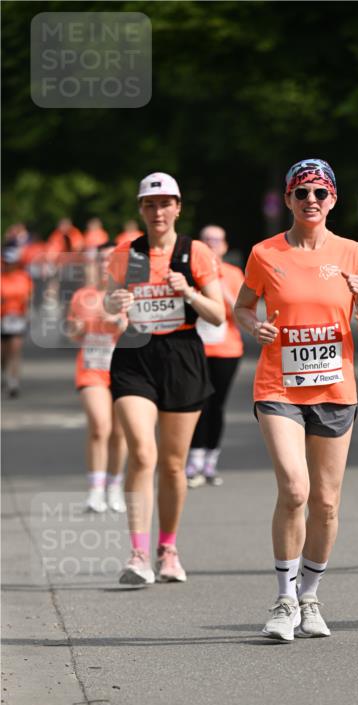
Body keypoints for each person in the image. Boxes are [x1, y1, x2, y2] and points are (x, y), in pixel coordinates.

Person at [234, 158, 358, 642]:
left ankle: (310, 597)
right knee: (295, 489)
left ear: (333, 199)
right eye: (302, 194)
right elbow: (242, 306)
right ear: (290, 200)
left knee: (326, 502)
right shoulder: (264, 253)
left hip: (335, 390)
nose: (311, 201)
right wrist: (253, 325)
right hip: (279, 387)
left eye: (320, 193)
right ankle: (282, 599)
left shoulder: (355, 255)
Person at [104, 172, 224, 585]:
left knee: (173, 465)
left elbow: (219, 314)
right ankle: (138, 554)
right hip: (135, 353)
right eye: (150, 204)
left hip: (183, 354)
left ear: (178, 207)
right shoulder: (125, 255)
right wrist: (114, 301)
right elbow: (107, 305)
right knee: (142, 451)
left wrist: (188, 292)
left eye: (165, 203)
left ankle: (167, 549)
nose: (158, 211)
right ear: (141, 208)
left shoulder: (197, 253)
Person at [67, 243, 127, 513]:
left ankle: (115, 486)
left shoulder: (129, 295)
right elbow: (73, 334)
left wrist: (118, 323)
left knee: (119, 432)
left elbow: (137, 331)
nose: (106, 264)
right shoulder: (82, 296)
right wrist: (77, 329)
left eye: (111, 259)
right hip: (92, 368)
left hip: (124, 369)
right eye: (102, 259)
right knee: (99, 427)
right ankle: (95, 490)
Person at [186, 225, 245, 487]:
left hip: (226, 349)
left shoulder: (233, 274)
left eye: (216, 240)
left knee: (217, 404)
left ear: (224, 246)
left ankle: (211, 461)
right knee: (197, 403)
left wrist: (221, 289)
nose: (211, 244)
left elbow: (241, 313)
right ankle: (194, 461)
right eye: (206, 239)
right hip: (195, 347)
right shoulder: (189, 273)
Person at [1, 246, 32, 398]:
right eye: (5, 262)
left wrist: (28, 314)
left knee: (15, 350)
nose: (8, 265)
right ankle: (5, 375)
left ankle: (14, 382)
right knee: (2, 353)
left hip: (17, 318)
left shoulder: (23, 277)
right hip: (2, 318)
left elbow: (29, 297)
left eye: (11, 262)